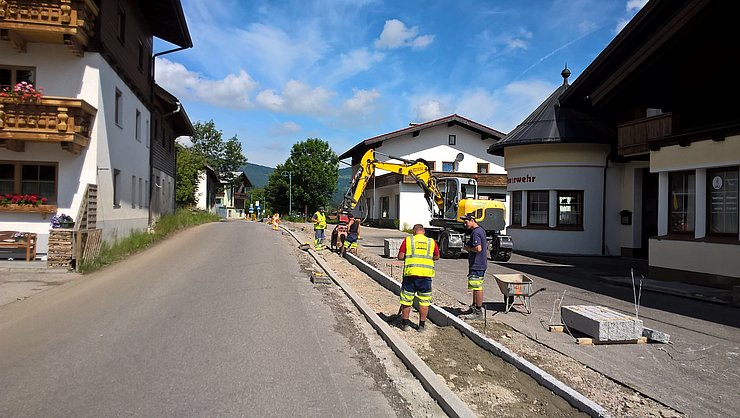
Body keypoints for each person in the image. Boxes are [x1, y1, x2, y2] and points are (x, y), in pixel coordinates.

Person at [396, 224, 440, 332]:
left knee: (406, 300)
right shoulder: (431, 242)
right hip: (425, 276)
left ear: (414, 231)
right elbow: (437, 256)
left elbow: (400, 256)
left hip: (410, 275)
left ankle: (405, 324)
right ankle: (421, 326)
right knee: (424, 301)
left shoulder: (408, 240)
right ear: (424, 231)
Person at [460, 213, 487, 320]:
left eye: (466, 221)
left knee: (477, 287)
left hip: (477, 264)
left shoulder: (476, 232)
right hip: (478, 263)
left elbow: (478, 248)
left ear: (472, 220)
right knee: (475, 286)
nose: (464, 224)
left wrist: (468, 248)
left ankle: (478, 311)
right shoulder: (481, 230)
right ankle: (474, 307)